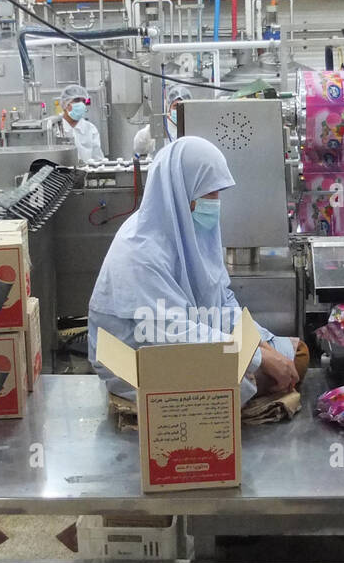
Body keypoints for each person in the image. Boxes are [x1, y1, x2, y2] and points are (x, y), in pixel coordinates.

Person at [89, 136, 306, 405]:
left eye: (218, 193)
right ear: (181, 191)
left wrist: (258, 343)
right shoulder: (139, 250)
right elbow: (169, 334)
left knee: (296, 354)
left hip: (191, 337)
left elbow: (220, 299)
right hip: (143, 357)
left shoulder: (189, 233)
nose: (215, 202)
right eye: (209, 193)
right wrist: (256, 358)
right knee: (256, 377)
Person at [132, 83, 193, 158]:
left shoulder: (193, 127)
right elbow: (138, 147)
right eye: (175, 106)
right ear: (169, 108)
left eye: (183, 106)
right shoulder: (162, 125)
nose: (179, 110)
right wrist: (151, 129)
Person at [57, 83, 105, 164]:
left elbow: (97, 159)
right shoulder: (55, 128)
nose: (81, 104)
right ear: (65, 103)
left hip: (87, 174)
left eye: (83, 101)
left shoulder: (90, 129)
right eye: (76, 100)